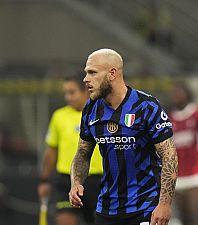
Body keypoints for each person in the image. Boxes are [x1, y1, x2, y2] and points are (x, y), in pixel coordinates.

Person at [68, 49, 178, 225]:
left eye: (92, 72)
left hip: (145, 206)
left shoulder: (146, 106)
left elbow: (169, 155)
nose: (85, 79)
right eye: (86, 73)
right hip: (106, 208)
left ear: (112, 73)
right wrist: (76, 182)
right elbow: (82, 153)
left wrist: (164, 204)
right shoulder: (91, 108)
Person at [38, 75, 103, 225]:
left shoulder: (100, 113)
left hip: (96, 181)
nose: (68, 97)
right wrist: (44, 180)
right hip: (66, 180)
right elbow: (51, 151)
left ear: (85, 91)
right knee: (64, 219)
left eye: (72, 92)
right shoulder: (59, 116)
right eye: (66, 92)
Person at [168, 82, 198, 225]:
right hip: (178, 174)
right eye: (174, 94)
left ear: (187, 94)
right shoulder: (170, 118)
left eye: (179, 93)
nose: (176, 96)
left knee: (195, 214)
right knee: (184, 217)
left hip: (197, 172)